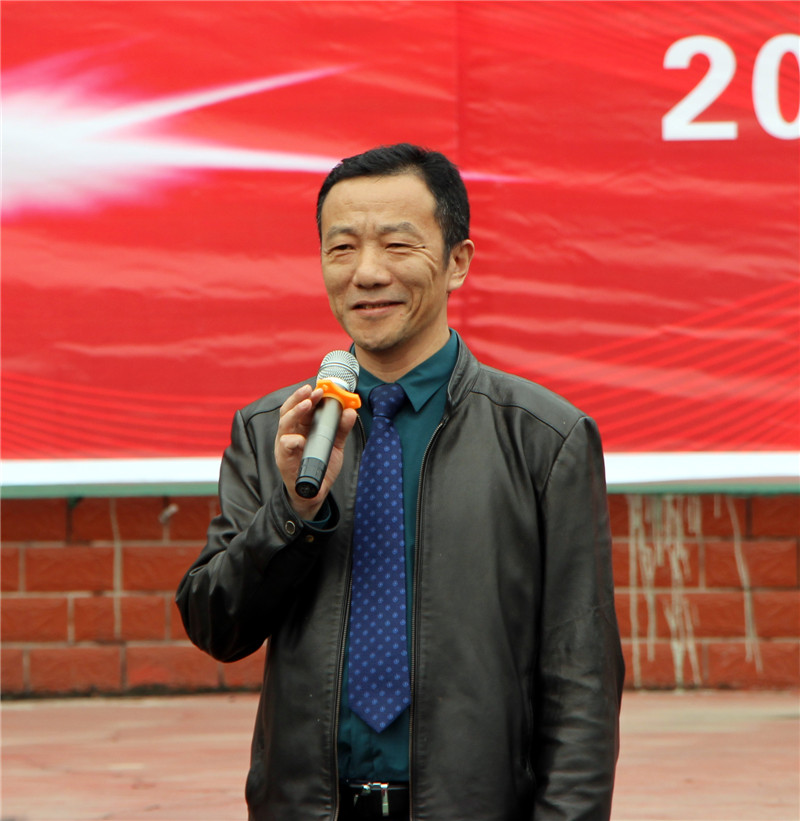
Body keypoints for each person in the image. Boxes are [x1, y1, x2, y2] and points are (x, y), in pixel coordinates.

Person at [176, 143, 624, 821]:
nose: (367, 272)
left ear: (457, 262)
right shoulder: (275, 431)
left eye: (396, 244)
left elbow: (581, 671)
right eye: (342, 248)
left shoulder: (544, 439)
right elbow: (218, 626)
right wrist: (292, 510)